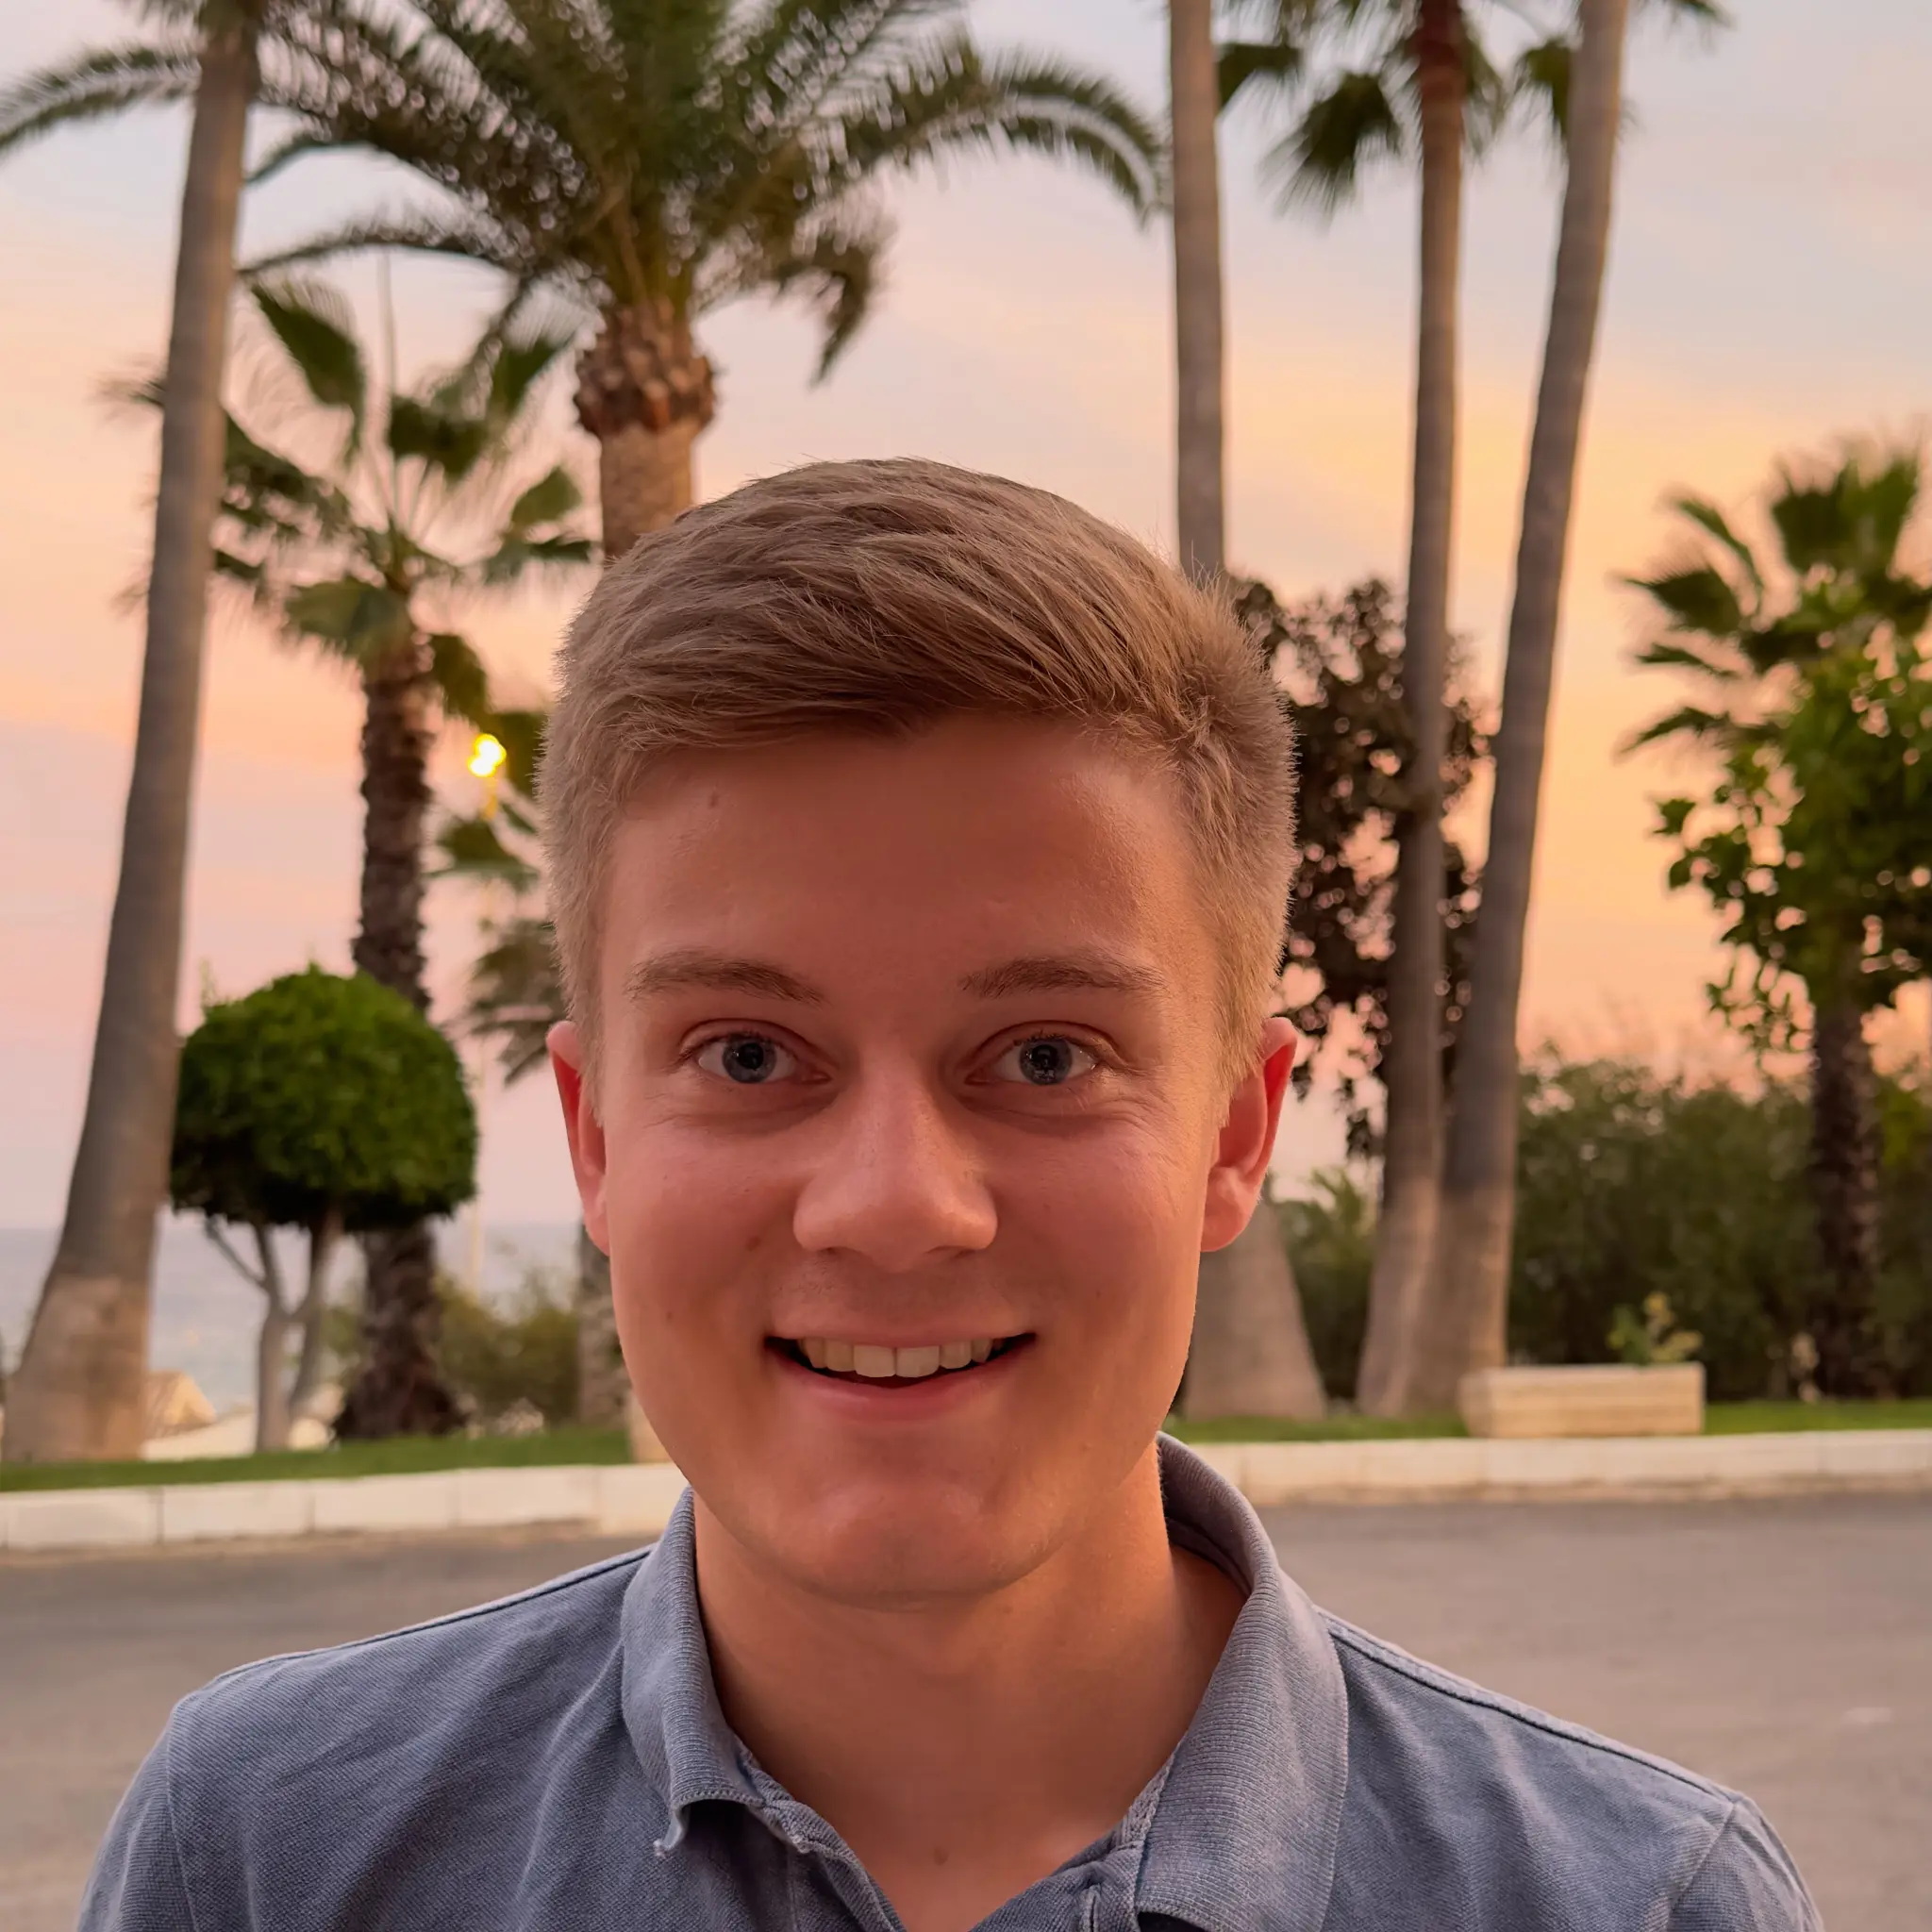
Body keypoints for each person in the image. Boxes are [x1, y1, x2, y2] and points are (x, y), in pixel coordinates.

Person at [84, 460, 1818, 1932]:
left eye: (1046, 1057)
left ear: (1234, 1133)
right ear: (595, 1136)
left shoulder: (1632, 1905)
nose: (896, 1206)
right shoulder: (273, 1855)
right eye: (749, 1055)